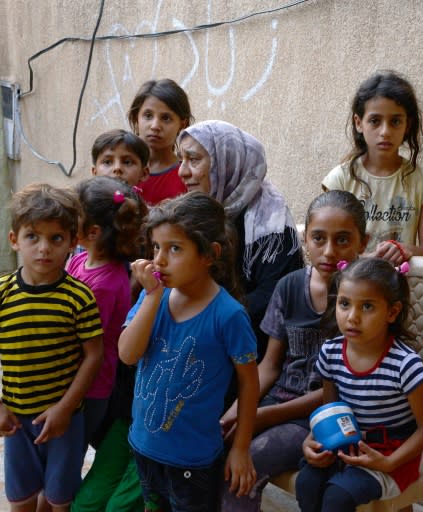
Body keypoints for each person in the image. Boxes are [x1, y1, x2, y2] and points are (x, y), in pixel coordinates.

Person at [220, 190, 369, 511]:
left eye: (343, 240)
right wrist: (237, 411)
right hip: (277, 402)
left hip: (324, 415)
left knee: (247, 461)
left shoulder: (361, 302)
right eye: (319, 238)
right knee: (214, 445)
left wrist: (261, 416)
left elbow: (342, 386)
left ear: (363, 242)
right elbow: (270, 365)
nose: (329, 251)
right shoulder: (289, 286)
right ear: (305, 239)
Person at [119, 192, 260, 512]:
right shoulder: (152, 297)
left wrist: (240, 448)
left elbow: (249, 383)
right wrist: (152, 298)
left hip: (192, 462)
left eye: (174, 248)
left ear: (209, 254)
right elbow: (128, 355)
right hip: (144, 448)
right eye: (156, 247)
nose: (160, 260)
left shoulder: (228, 315)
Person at [0, 183, 104, 512]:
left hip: (66, 420)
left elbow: (93, 355)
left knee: (60, 499)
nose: (44, 248)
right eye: (33, 237)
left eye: (56, 238)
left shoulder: (79, 297)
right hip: (16, 418)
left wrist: (64, 409)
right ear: (14, 240)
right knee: (21, 498)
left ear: (73, 243)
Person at [295, 258, 423, 512]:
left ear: (392, 312)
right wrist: (310, 441)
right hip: (344, 445)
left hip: (390, 455)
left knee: (337, 498)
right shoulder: (331, 353)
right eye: (344, 304)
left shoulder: (405, 365)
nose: (352, 317)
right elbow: (331, 411)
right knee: (306, 483)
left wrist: (389, 463)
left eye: (367, 307)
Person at [176, 120, 304, 357]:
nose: (182, 171)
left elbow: (273, 296)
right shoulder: (201, 212)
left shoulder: (270, 219)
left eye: (193, 160)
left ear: (227, 162)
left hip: (255, 348)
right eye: (181, 160)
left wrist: (211, 317)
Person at [322, 70, 423, 264]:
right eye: (375, 121)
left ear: (408, 125)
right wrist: (368, 259)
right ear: (359, 122)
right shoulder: (340, 180)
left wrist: (403, 250)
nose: (385, 131)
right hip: (350, 286)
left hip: (399, 286)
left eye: (395, 121)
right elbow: (330, 252)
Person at [65, 176, 147, 446]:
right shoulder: (79, 260)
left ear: (93, 232)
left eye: (73, 215)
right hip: (70, 376)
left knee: (70, 451)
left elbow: (80, 337)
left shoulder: (106, 283)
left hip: (89, 385)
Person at [127, 78, 193, 205]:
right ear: (136, 119)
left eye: (166, 118)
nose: (155, 126)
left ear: (182, 124)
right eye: (148, 116)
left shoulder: (188, 176)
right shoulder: (120, 169)